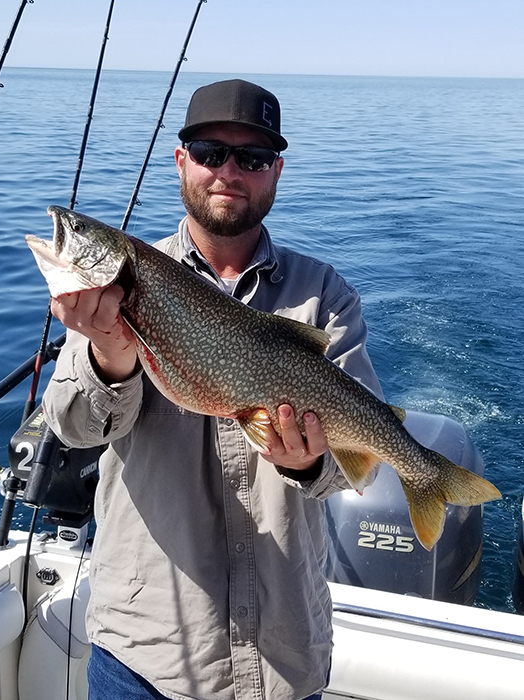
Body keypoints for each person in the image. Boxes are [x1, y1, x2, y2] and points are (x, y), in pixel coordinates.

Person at [42, 79, 383, 700]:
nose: (229, 171)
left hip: (285, 654)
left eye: (252, 158)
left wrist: (310, 463)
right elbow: (71, 426)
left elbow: (355, 473)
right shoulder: (118, 292)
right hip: (145, 655)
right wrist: (110, 352)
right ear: (182, 161)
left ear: (275, 171)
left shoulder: (325, 295)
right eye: (208, 152)